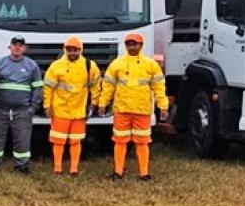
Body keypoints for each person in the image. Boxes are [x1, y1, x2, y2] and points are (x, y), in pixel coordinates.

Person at [98, 32, 169, 181]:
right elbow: (108, 86)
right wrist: (103, 104)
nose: (131, 47)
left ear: (141, 45)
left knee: (142, 142)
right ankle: (118, 172)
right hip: (122, 110)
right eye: (129, 44)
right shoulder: (117, 64)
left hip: (141, 110)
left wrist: (163, 107)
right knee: (120, 141)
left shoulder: (150, 64)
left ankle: (144, 173)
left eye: (134, 44)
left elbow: (159, 87)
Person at [43, 37, 102, 176]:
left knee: (75, 141)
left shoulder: (89, 65)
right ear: (65, 50)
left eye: (75, 50)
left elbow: (96, 86)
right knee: (58, 141)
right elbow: (48, 88)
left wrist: (94, 104)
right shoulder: (56, 66)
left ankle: (74, 169)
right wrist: (47, 105)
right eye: (69, 50)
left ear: (81, 50)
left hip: (79, 111)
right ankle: (57, 168)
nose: (72, 53)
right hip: (60, 110)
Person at [0, 36, 44, 173]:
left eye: (20, 45)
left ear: (24, 48)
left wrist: (33, 107)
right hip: (0, 109)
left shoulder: (32, 66)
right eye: (15, 45)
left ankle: (22, 166)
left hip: (23, 111)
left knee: (22, 139)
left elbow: (38, 87)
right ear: (9, 47)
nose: (17, 47)